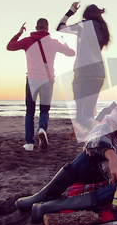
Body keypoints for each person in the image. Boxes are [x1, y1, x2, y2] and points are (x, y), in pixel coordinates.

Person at [14, 71, 117, 223]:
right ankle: (46, 194)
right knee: (90, 153)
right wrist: (112, 156)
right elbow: (99, 131)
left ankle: (56, 205)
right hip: (114, 168)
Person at [7, 19, 75, 151]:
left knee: (30, 111)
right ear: (47, 28)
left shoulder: (27, 41)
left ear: (36, 28)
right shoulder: (54, 43)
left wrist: (19, 33)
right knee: (44, 110)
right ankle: (42, 129)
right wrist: (64, 43)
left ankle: (29, 143)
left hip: (32, 79)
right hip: (48, 80)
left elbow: (10, 46)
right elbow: (71, 53)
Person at [57, 3, 111, 139]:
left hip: (83, 73)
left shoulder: (84, 25)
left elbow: (60, 28)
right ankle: (91, 140)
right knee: (88, 114)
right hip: (99, 74)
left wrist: (70, 12)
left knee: (80, 115)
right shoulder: (103, 28)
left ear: (86, 15)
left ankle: (102, 129)